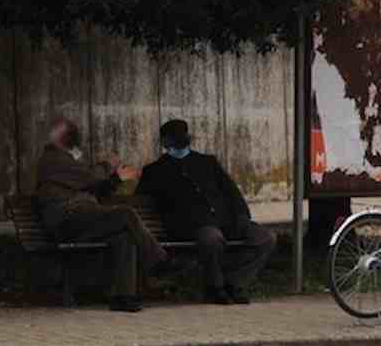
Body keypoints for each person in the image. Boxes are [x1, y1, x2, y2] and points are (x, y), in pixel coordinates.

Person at [35, 117, 171, 312]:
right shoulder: (52, 158)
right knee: (125, 214)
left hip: (83, 220)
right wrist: (108, 167)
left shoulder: (72, 162)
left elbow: (96, 187)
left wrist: (116, 178)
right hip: (67, 221)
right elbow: (90, 177)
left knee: (125, 237)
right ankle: (159, 261)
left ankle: (123, 297)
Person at [137, 120, 276, 304]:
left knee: (265, 238)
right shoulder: (155, 171)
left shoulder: (207, 162)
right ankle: (215, 288)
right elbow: (146, 200)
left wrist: (241, 216)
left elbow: (231, 191)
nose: (180, 142)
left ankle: (234, 283)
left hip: (227, 220)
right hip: (192, 226)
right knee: (211, 239)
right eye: (174, 138)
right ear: (164, 143)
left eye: (182, 136)